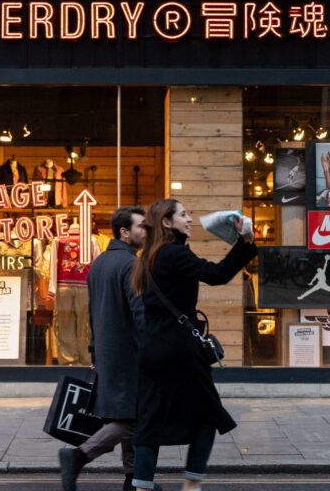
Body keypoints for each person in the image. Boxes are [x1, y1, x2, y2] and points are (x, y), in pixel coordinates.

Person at [129, 199, 257, 491]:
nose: (189, 219)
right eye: (183, 215)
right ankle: (191, 485)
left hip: (152, 348)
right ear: (166, 222)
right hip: (180, 350)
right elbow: (217, 274)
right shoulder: (174, 254)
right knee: (207, 414)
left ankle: (142, 487)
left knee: (150, 420)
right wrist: (246, 242)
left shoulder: (149, 256)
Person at [58, 206, 155, 491]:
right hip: (131, 354)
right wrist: (154, 347)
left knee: (126, 414)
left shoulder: (99, 263)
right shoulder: (133, 264)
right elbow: (141, 313)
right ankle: (78, 455)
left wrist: (93, 351)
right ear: (124, 232)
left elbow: (92, 313)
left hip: (108, 354)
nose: (145, 232)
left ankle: (132, 479)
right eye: (141, 227)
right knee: (134, 419)